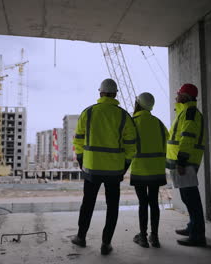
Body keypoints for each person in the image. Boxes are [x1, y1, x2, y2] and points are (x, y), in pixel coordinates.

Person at [70, 78, 137, 255]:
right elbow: (131, 145)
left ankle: (81, 237)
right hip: (114, 171)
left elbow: (78, 140)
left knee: (88, 204)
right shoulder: (124, 116)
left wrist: (81, 160)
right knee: (112, 206)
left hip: (92, 169)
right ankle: (106, 244)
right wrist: (125, 165)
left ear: (100, 93)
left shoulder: (89, 112)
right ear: (115, 94)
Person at [166, 83, 207, 247]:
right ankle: (192, 227)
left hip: (186, 162)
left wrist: (181, 161)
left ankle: (197, 235)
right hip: (184, 161)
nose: (176, 96)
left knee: (191, 198)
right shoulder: (185, 112)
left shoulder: (189, 113)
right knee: (187, 197)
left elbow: (187, 137)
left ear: (185, 96)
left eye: (179, 93)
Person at [130, 92, 169, 248]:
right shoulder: (158, 123)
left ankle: (143, 237)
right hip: (157, 170)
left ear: (138, 104)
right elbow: (167, 142)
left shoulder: (133, 122)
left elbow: (127, 144)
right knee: (153, 202)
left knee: (143, 203)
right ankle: (155, 237)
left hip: (140, 169)